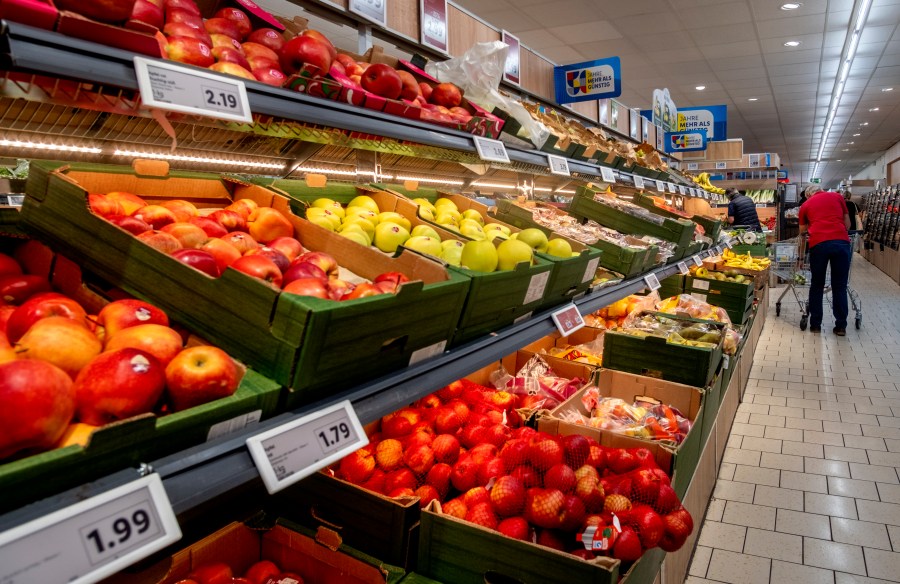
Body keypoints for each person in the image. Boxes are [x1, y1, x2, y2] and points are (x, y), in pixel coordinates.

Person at [798, 184, 851, 335]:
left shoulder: (805, 205)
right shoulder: (838, 197)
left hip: (819, 245)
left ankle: (815, 325)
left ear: (808, 195)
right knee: (839, 286)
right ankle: (841, 326)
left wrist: (800, 257)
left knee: (817, 285)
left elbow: (802, 235)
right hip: (841, 243)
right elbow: (847, 224)